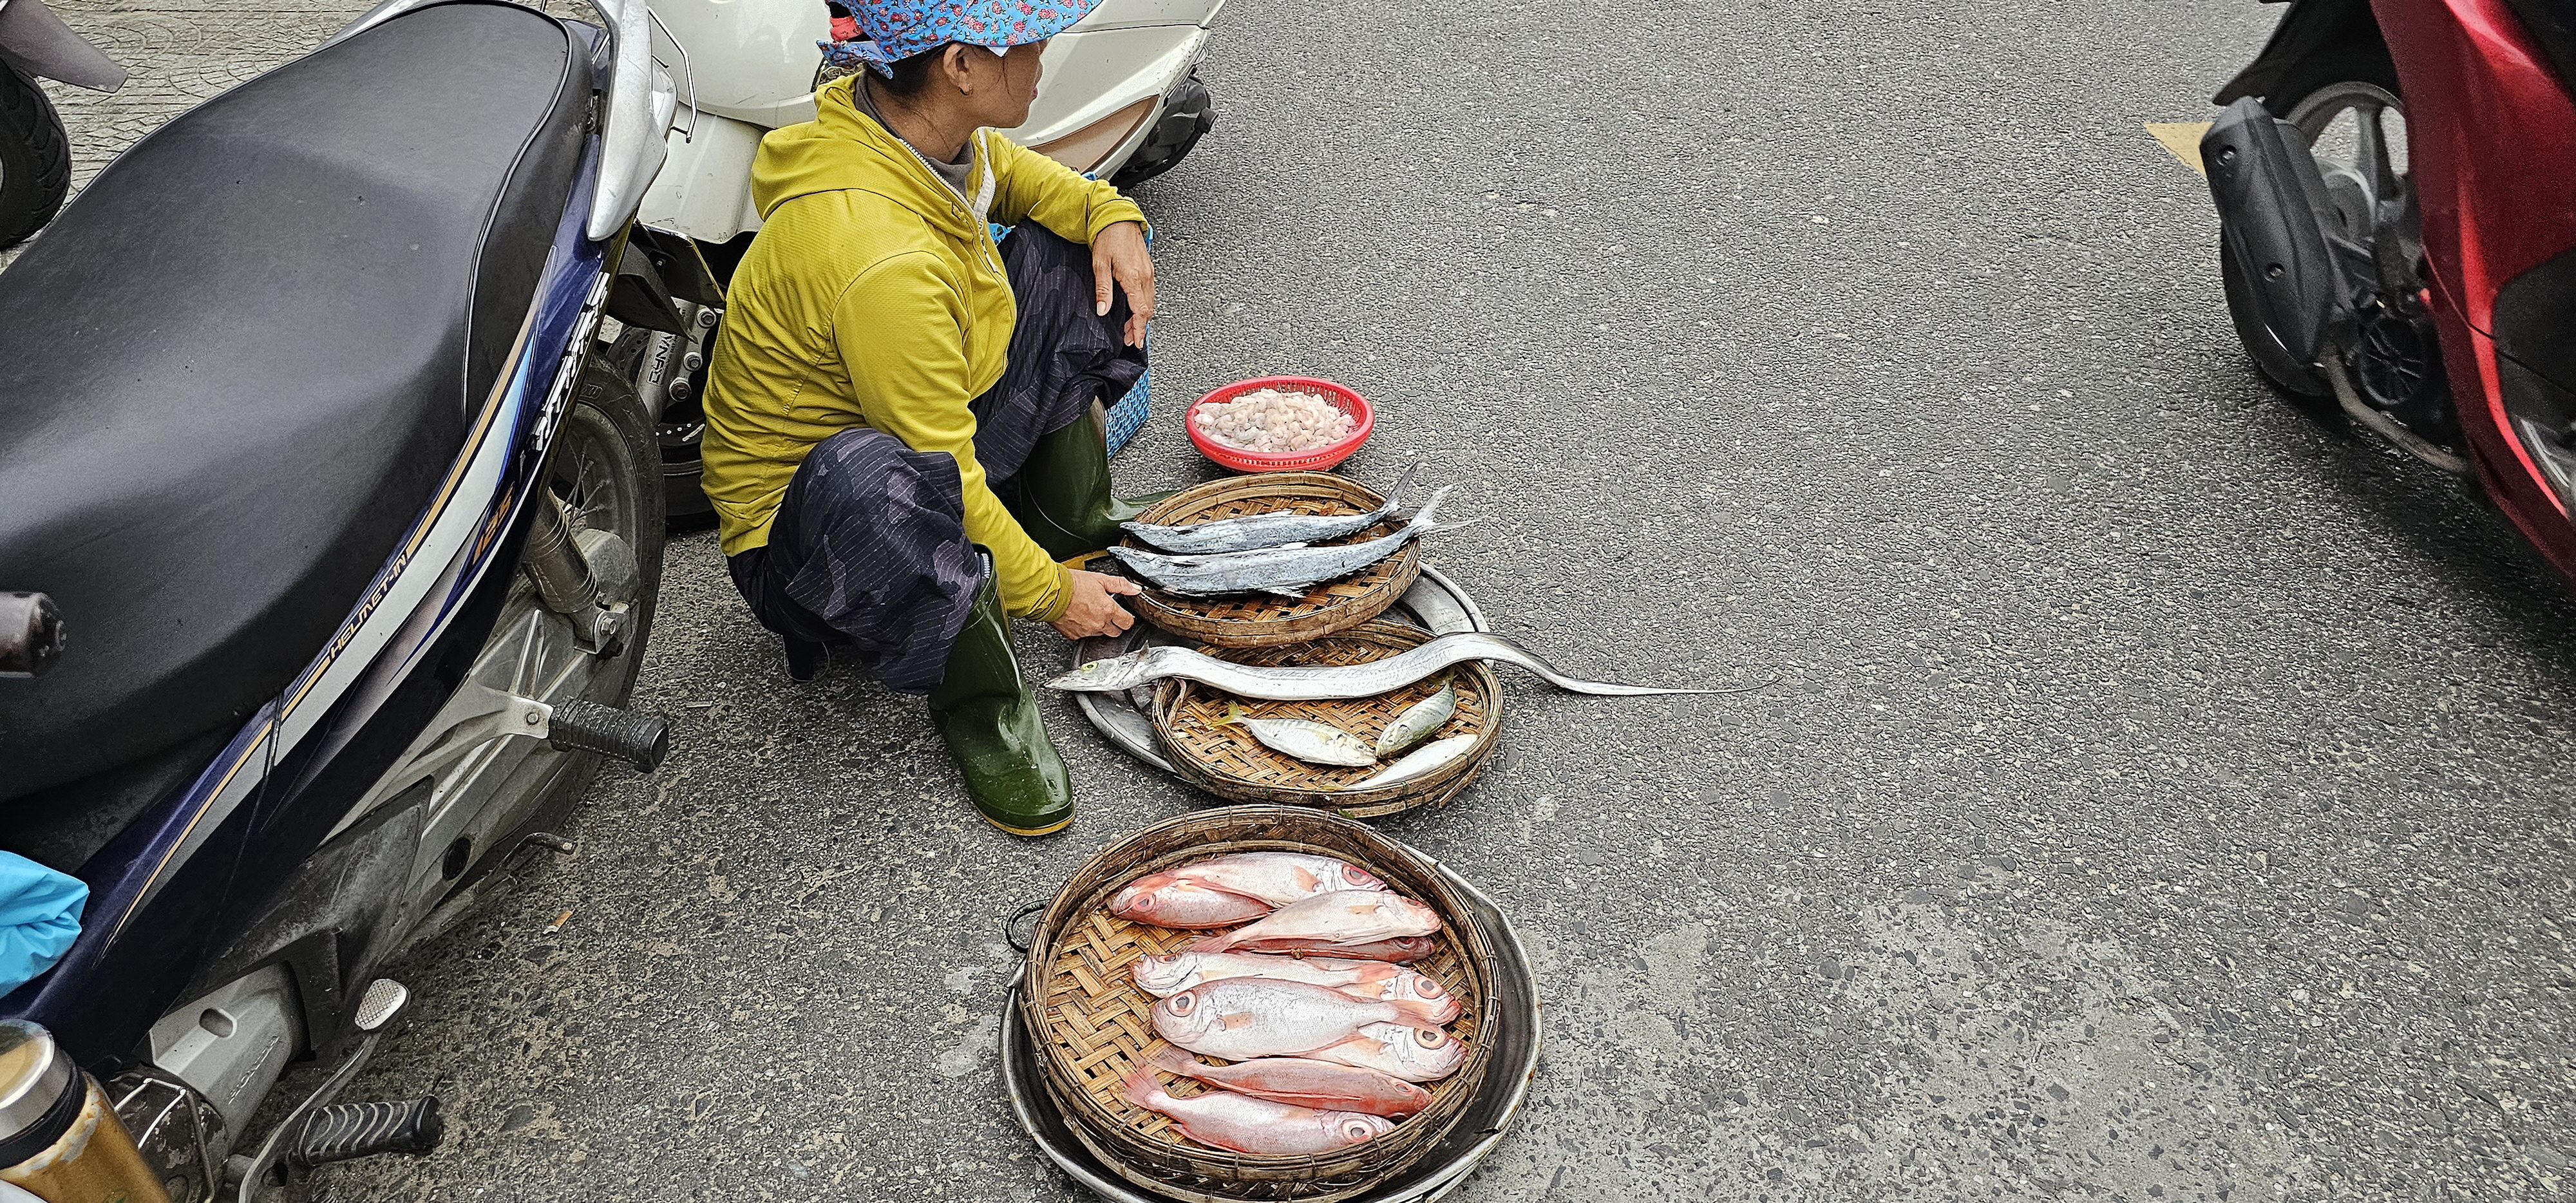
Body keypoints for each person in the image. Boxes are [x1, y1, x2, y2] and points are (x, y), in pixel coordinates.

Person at [698, 0, 1164, 838]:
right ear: (959, 66)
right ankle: (983, 709)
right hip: (809, 537)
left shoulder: (923, 134)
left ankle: (1068, 521)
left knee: (1072, 254)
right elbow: (941, 470)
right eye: (1028, 40)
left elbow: (1024, 182)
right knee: (881, 481)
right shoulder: (880, 259)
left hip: (914, 420)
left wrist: (1110, 213)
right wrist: (1053, 599)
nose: (1043, 55)